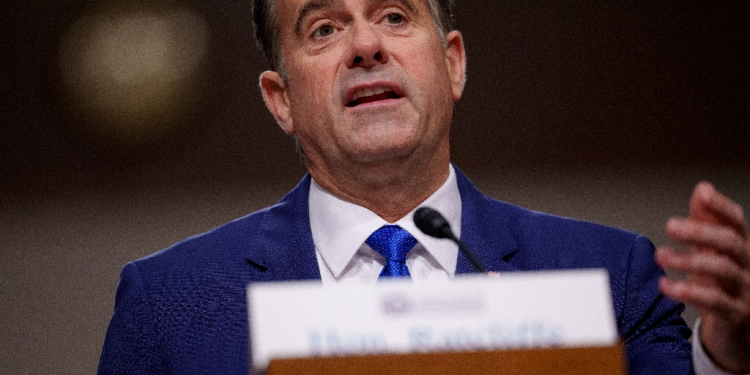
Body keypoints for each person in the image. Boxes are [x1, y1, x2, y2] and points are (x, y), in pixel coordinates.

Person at [97, 0, 750, 373]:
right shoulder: (167, 305)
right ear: (281, 99)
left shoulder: (611, 276)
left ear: (453, 64)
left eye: (394, 16)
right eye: (323, 29)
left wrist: (725, 352)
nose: (365, 45)